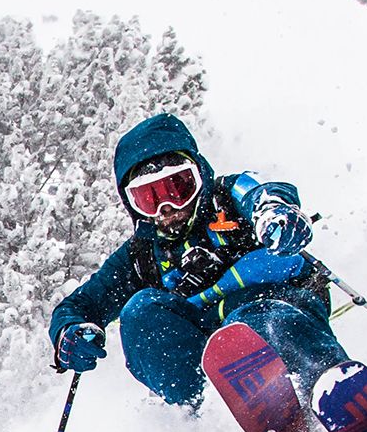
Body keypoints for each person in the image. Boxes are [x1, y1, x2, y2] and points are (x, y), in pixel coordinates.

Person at [48, 113, 347, 410]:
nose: (167, 208)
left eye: (177, 188)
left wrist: (274, 214)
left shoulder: (229, 198)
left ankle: (330, 387)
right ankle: (205, 415)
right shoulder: (141, 254)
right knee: (141, 312)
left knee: (253, 322)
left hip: (275, 306)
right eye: (149, 198)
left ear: (199, 176)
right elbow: (79, 305)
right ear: (133, 205)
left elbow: (264, 192)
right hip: (209, 348)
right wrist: (69, 333)